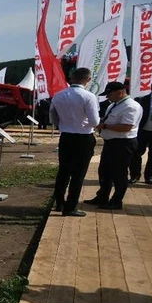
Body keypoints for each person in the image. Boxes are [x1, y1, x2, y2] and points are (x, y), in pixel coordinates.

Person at [48, 67, 99, 216]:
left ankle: (59, 203)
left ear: (72, 78)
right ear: (88, 80)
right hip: (83, 137)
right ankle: (71, 207)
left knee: (63, 171)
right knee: (78, 174)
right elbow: (95, 121)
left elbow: (52, 116)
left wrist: (62, 125)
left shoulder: (58, 95)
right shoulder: (89, 96)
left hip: (66, 136)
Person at [86, 81, 143, 210]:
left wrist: (104, 126)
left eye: (109, 94)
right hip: (111, 143)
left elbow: (127, 127)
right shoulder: (115, 105)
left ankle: (117, 200)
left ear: (120, 92)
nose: (107, 97)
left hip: (123, 144)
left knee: (119, 173)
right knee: (105, 172)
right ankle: (102, 196)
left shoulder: (131, 106)